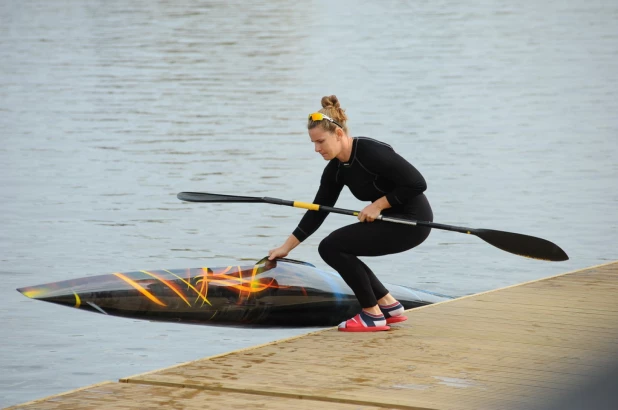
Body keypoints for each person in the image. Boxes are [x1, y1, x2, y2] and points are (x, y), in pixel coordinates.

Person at [268, 95, 433, 332]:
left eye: (321, 142)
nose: (316, 149)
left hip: (413, 221)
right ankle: (388, 306)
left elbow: (417, 183)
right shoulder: (335, 169)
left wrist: (378, 205)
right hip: (390, 221)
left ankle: (372, 315)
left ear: (338, 134)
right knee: (337, 247)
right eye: (313, 143)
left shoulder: (370, 151)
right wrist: (286, 247)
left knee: (332, 247)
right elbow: (317, 210)